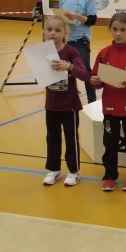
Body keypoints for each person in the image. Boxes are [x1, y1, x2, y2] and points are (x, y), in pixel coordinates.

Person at [90, 13, 126, 192]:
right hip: (110, 107)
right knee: (109, 143)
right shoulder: (104, 53)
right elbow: (96, 79)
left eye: (122, 30)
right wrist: (95, 81)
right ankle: (110, 175)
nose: (118, 33)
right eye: (114, 29)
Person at [42, 15, 89, 187]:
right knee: (52, 138)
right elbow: (39, 78)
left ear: (65, 33)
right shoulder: (43, 53)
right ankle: (54, 169)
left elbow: (84, 74)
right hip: (51, 104)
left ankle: (74, 171)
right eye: (49, 30)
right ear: (44, 32)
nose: (52, 33)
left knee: (71, 138)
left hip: (69, 106)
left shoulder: (71, 52)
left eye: (57, 30)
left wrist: (69, 66)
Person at [60, 0, 98, 103]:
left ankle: (92, 101)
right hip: (66, 41)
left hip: (81, 40)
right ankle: (68, 99)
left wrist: (77, 16)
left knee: (85, 71)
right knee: (65, 71)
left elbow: (92, 20)